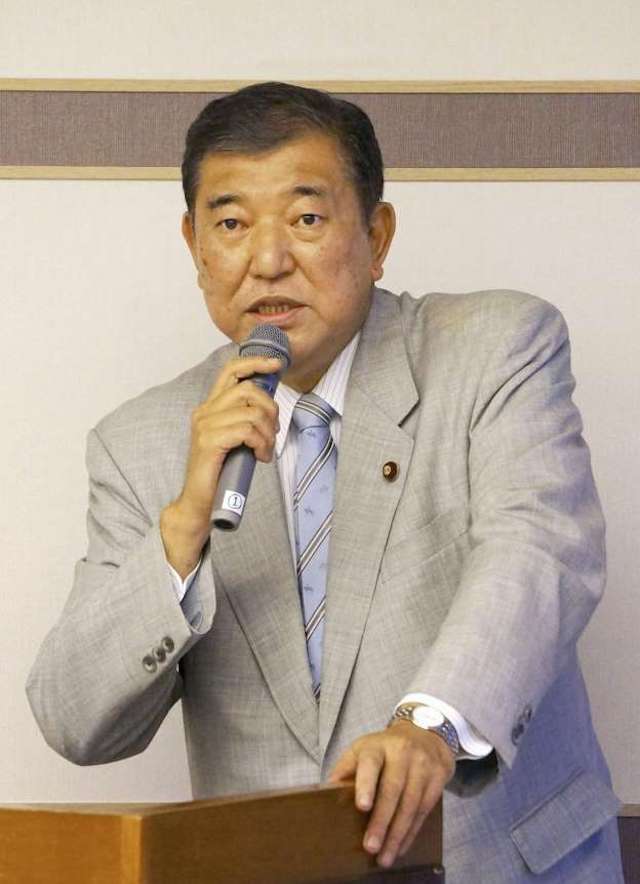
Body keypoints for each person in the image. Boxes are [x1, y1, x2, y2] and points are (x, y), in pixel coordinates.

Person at [27, 82, 624, 882]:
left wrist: (429, 728)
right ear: (195, 245)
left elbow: (538, 551)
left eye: (306, 219)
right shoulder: (140, 442)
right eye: (231, 224)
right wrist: (183, 530)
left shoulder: (495, 348)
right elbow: (73, 719)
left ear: (376, 236)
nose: (268, 259)